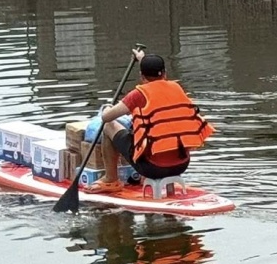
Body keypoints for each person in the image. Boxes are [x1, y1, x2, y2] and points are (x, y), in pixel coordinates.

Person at [86, 50, 215, 196]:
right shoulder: (176, 88)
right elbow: (159, 85)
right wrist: (142, 58)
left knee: (110, 127)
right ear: (165, 73)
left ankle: (111, 179)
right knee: (145, 127)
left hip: (152, 167)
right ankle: (147, 180)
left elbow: (107, 118)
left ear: (141, 76)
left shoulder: (138, 95)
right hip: (182, 164)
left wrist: (107, 109)